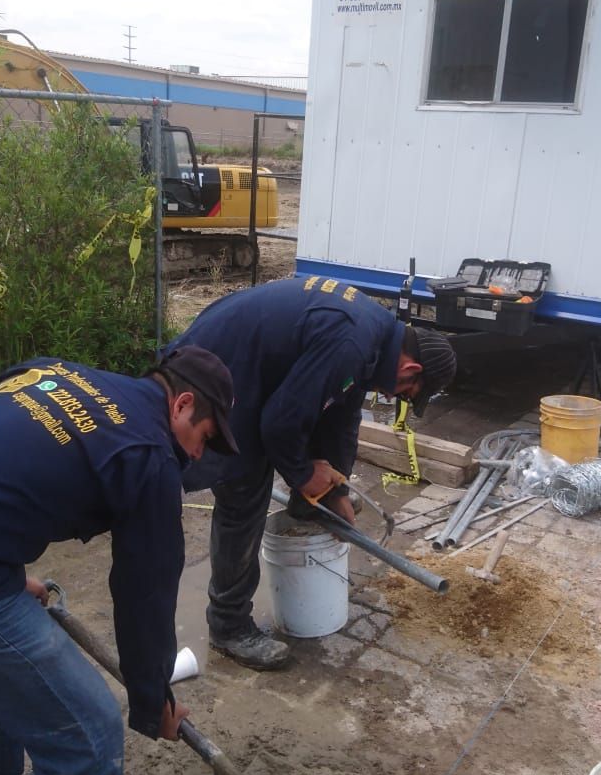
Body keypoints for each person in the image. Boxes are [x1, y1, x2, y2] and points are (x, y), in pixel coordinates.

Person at [0, 347, 237, 775]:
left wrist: (3, 568)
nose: (197, 456)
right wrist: (153, 703)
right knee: (89, 734)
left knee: (12, 670)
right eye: (204, 438)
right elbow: (144, 593)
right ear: (182, 404)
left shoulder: (58, 373)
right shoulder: (148, 457)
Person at [167, 275, 456, 670]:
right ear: (412, 367)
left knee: (284, 469)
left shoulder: (371, 336)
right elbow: (280, 424)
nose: (393, 397)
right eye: (404, 392)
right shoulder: (353, 341)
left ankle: (308, 509)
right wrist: (303, 476)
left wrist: (334, 489)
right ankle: (229, 626)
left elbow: (342, 414)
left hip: (243, 368)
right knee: (245, 494)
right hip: (213, 371)